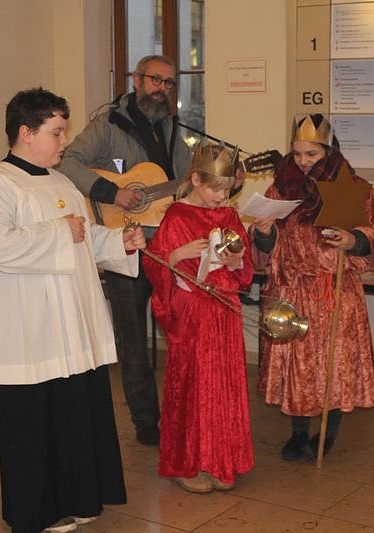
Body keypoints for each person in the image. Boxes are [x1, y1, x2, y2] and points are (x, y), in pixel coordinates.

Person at [0, 87, 146, 533]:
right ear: (26, 133)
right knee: (34, 423)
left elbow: (83, 235)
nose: (64, 142)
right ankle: (38, 510)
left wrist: (117, 242)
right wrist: (59, 230)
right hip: (29, 329)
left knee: (74, 413)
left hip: (72, 324)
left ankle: (81, 495)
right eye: (56, 132)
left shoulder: (62, 179)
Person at [57, 54, 193, 446]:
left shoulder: (171, 130)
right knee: (132, 337)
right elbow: (68, 161)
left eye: (169, 83)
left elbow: (184, 181)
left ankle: (184, 413)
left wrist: (217, 182)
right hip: (123, 244)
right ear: (136, 80)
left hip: (165, 245)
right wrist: (113, 192)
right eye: (155, 80)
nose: (161, 89)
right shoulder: (107, 124)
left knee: (180, 328)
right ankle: (147, 422)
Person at [250, 114, 374, 461]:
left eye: (311, 155)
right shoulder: (280, 188)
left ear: (328, 151)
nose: (303, 162)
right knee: (296, 367)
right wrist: (265, 232)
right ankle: (298, 433)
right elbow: (265, 247)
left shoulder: (356, 189)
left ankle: (328, 432)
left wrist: (354, 239)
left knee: (333, 366)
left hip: (334, 293)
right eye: (297, 154)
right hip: (291, 291)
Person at [143, 142, 254, 493]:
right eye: (215, 190)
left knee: (224, 383)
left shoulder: (229, 215)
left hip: (225, 309)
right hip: (193, 313)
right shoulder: (177, 215)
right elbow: (153, 262)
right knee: (193, 387)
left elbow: (244, 265)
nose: (221, 198)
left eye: (227, 191)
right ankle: (187, 463)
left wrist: (236, 262)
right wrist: (178, 254)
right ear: (195, 179)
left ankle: (220, 459)